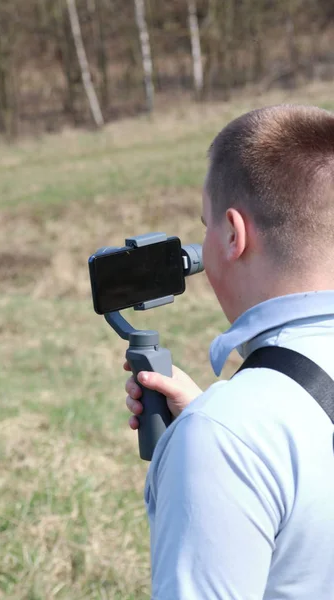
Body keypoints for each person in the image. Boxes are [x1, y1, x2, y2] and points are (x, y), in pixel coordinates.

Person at [124, 104, 334, 599]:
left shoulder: (226, 437)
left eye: (205, 224)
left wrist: (219, 437)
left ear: (234, 235)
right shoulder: (235, 431)